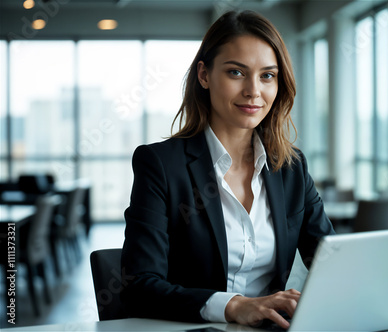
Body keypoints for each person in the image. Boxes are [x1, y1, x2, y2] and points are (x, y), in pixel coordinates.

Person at [121, 10, 335, 329]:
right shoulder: (161, 165)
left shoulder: (291, 166)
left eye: (267, 75)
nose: (253, 90)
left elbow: (330, 261)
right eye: (236, 73)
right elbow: (139, 285)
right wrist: (234, 306)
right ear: (204, 75)